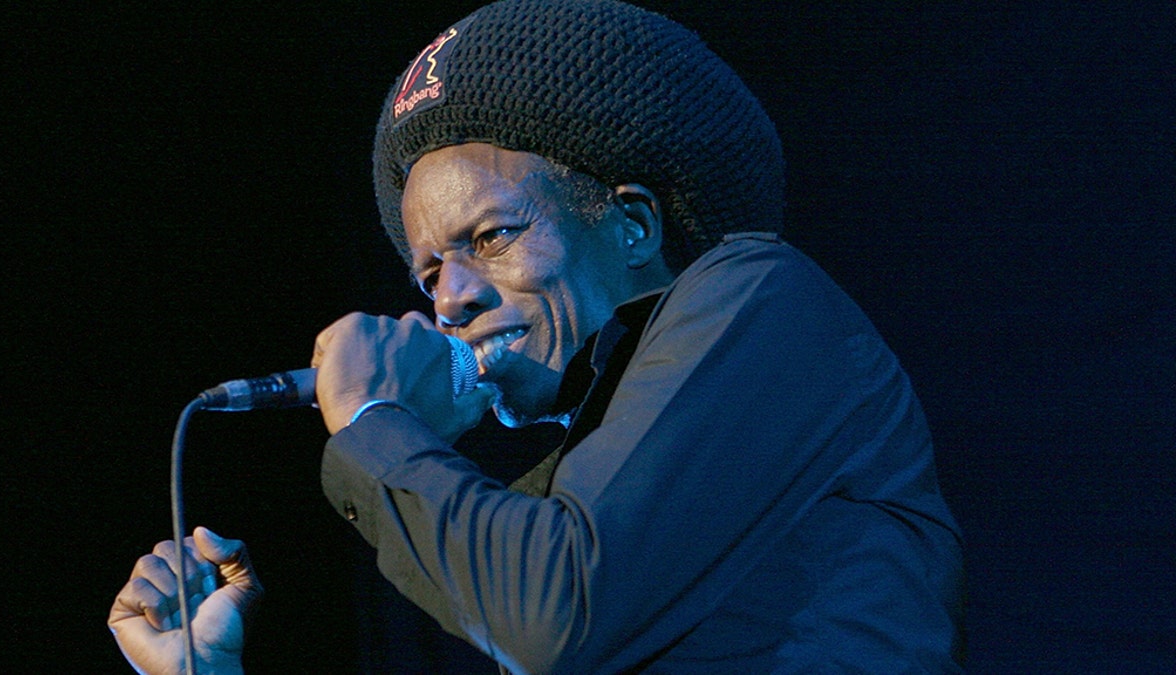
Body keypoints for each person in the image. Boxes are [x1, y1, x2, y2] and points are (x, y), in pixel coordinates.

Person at [109, 0, 965, 672]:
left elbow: (557, 613)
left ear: (630, 225)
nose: (450, 300)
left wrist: (373, 417)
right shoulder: (545, 508)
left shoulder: (763, 299)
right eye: (428, 273)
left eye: (490, 237)